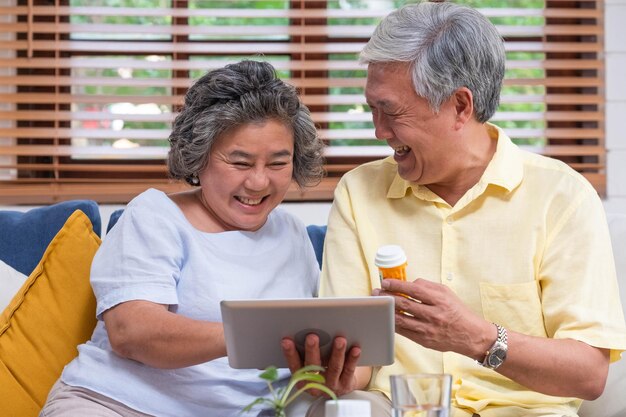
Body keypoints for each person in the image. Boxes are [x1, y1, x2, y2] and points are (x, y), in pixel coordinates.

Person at [285, 2, 626, 417]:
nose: (378, 131)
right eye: (372, 109)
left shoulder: (562, 197)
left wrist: (477, 337)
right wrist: (336, 373)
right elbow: (357, 363)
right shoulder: (359, 192)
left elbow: (588, 375)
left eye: (390, 111)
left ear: (460, 106)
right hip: (397, 409)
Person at [39, 60, 326, 417]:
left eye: (278, 163)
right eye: (240, 163)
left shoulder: (291, 233)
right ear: (200, 157)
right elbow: (133, 332)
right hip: (116, 405)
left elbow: (316, 338)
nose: (258, 182)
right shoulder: (155, 215)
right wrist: (261, 334)